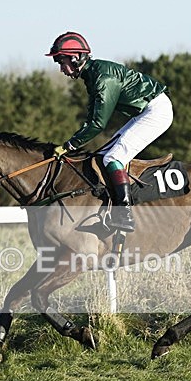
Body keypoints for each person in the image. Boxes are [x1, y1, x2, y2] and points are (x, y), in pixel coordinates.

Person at [46, 31, 173, 232]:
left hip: (156, 111)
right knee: (102, 155)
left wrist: (70, 145)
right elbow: (92, 118)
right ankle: (109, 208)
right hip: (145, 110)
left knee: (113, 158)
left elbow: (97, 124)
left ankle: (125, 215)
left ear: (75, 58)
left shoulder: (102, 78)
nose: (61, 69)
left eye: (62, 62)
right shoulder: (92, 74)